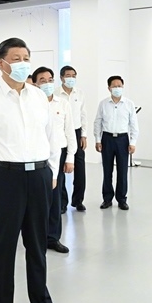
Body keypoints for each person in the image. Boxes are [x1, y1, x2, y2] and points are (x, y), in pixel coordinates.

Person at [0, 37, 68, 303]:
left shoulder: (38, 96)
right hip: (5, 177)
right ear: (2, 63)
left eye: (26, 57)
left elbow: (53, 137)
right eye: (16, 58)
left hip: (39, 176)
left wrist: (52, 171)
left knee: (37, 245)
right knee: (3, 247)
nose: (23, 63)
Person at [32, 67, 76, 253]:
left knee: (55, 196)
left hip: (59, 153)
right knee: (37, 199)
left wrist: (71, 157)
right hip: (37, 155)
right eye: (42, 80)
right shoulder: (31, 104)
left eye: (50, 80)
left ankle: (53, 237)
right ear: (35, 84)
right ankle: (36, 238)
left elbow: (70, 131)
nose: (47, 83)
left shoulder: (62, 103)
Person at [93, 75, 139, 211]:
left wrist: (133, 142)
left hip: (123, 139)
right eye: (114, 86)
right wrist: (97, 140)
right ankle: (107, 199)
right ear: (109, 88)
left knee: (123, 171)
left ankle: (122, 199)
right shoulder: (103, 104)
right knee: (107, 170)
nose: (117, 88)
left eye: (119, 86)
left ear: (123, 87)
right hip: (107, 139)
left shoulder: (129, 104)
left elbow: (134, 125)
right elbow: (98, 122)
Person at [57, 65, 88, 212]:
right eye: (68, 76)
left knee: (80, 169)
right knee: (60, 168)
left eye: (73, 76)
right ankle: (62, 202)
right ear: (61, 77)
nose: (71, 78)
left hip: (76, 132)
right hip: (61, 133)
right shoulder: (56, 93)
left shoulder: (79, 93)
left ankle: (78, 200)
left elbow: (83, 115)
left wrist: (84, 135)